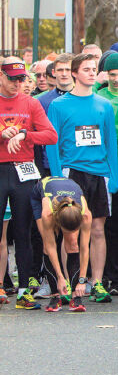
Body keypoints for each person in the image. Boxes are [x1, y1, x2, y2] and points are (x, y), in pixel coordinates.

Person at [44, 53, 118, 304]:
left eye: (93, 68)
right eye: (85, 69)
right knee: (70, 231)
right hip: (70, 173)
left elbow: (110, 141)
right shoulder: (59, 105)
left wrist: (114, 175)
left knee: (98, 229)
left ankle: (95, 282)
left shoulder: (104, 104)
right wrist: (56, 177)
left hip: (98, 173)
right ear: (74, 73)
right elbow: (52, 144)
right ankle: (68, 281)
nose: (90, 72)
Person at [0, 59, 59, 309]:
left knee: (24, 232)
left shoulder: (31, 103)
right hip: (1, 169)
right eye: (12, 79)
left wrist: (25, 134)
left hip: (24, 170)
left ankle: (24, 289)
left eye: (21, 79)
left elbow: (51, 135)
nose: (17, 84)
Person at [35, 176, 92, 312]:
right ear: (58, 223)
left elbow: (84, 249)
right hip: (40, 194)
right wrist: (60, 277)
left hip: (68, 190)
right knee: (47, 245)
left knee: (73, 242)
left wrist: (82, 280)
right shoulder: (48, 214)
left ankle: (75, 296)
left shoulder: (86, 215)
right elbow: (51, 247)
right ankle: (55, 295)